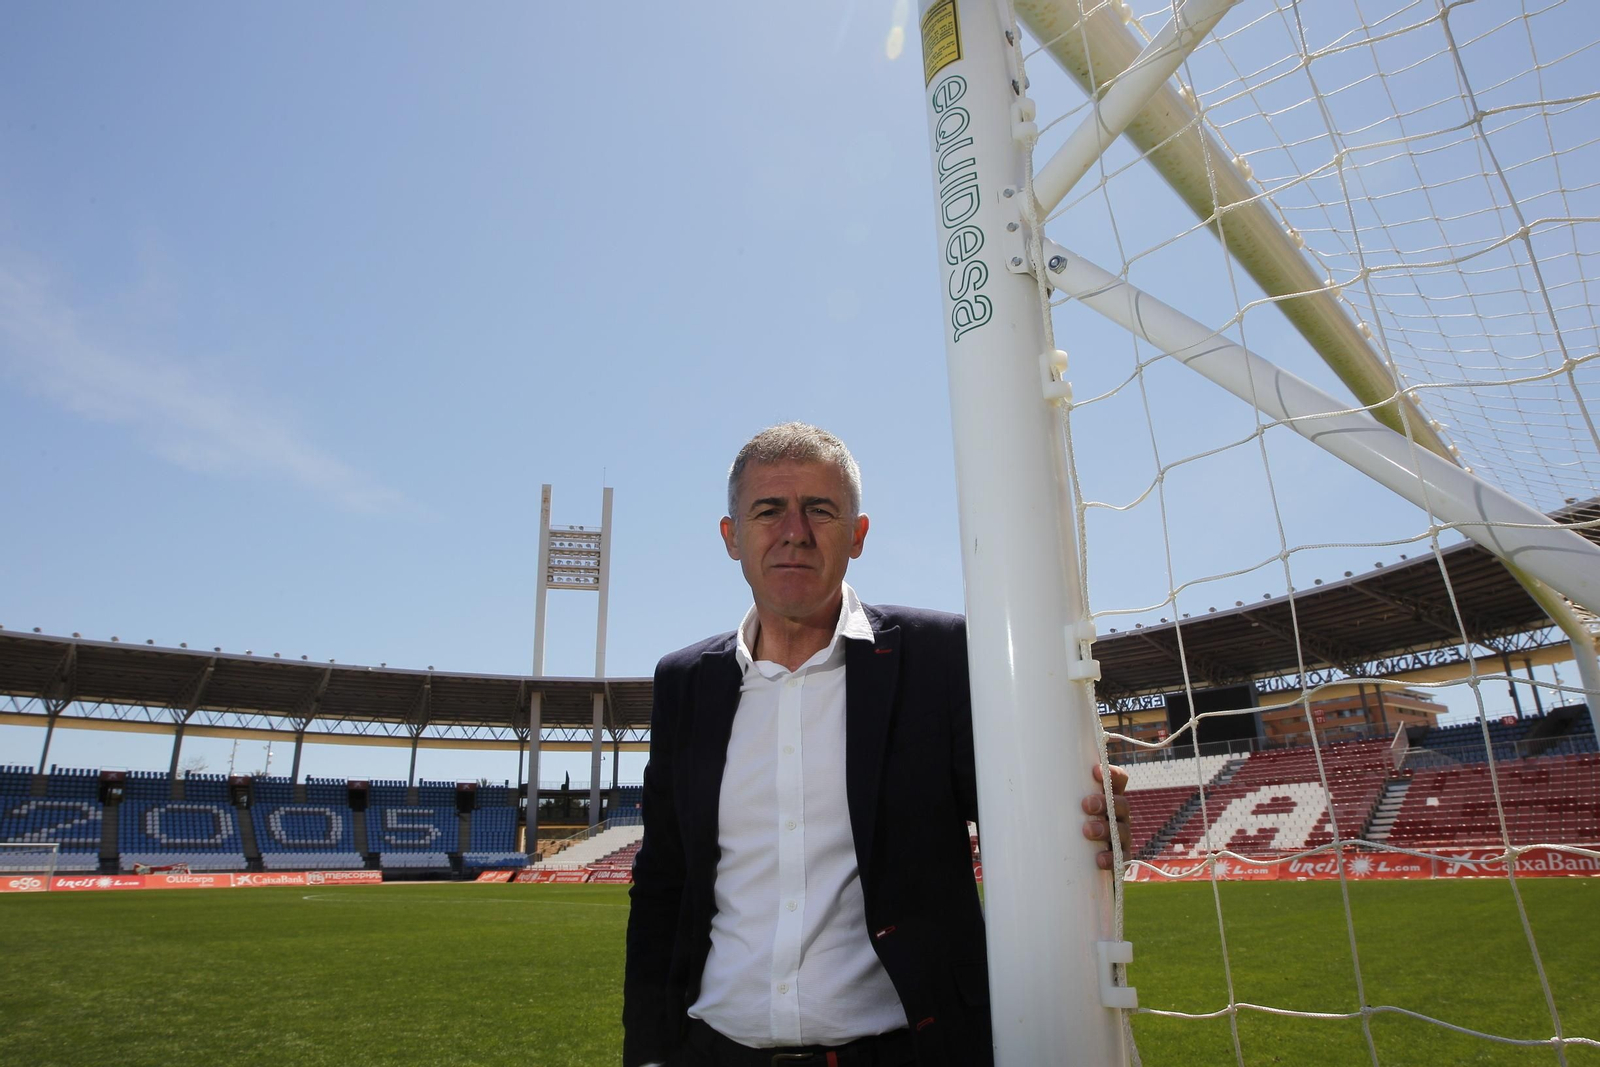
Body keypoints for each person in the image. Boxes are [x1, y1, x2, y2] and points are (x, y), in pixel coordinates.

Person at [624, 423, 1129, 1067]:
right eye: (768, 510)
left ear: (858, 535)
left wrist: (1082, 818)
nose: (794, 531)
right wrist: (645, 1051)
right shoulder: (686, 682)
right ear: (732, 538)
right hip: (713, 1051)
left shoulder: (941, 656)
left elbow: (1023, 821)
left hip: (903, 1052)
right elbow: (663, 882)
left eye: (821, 510)